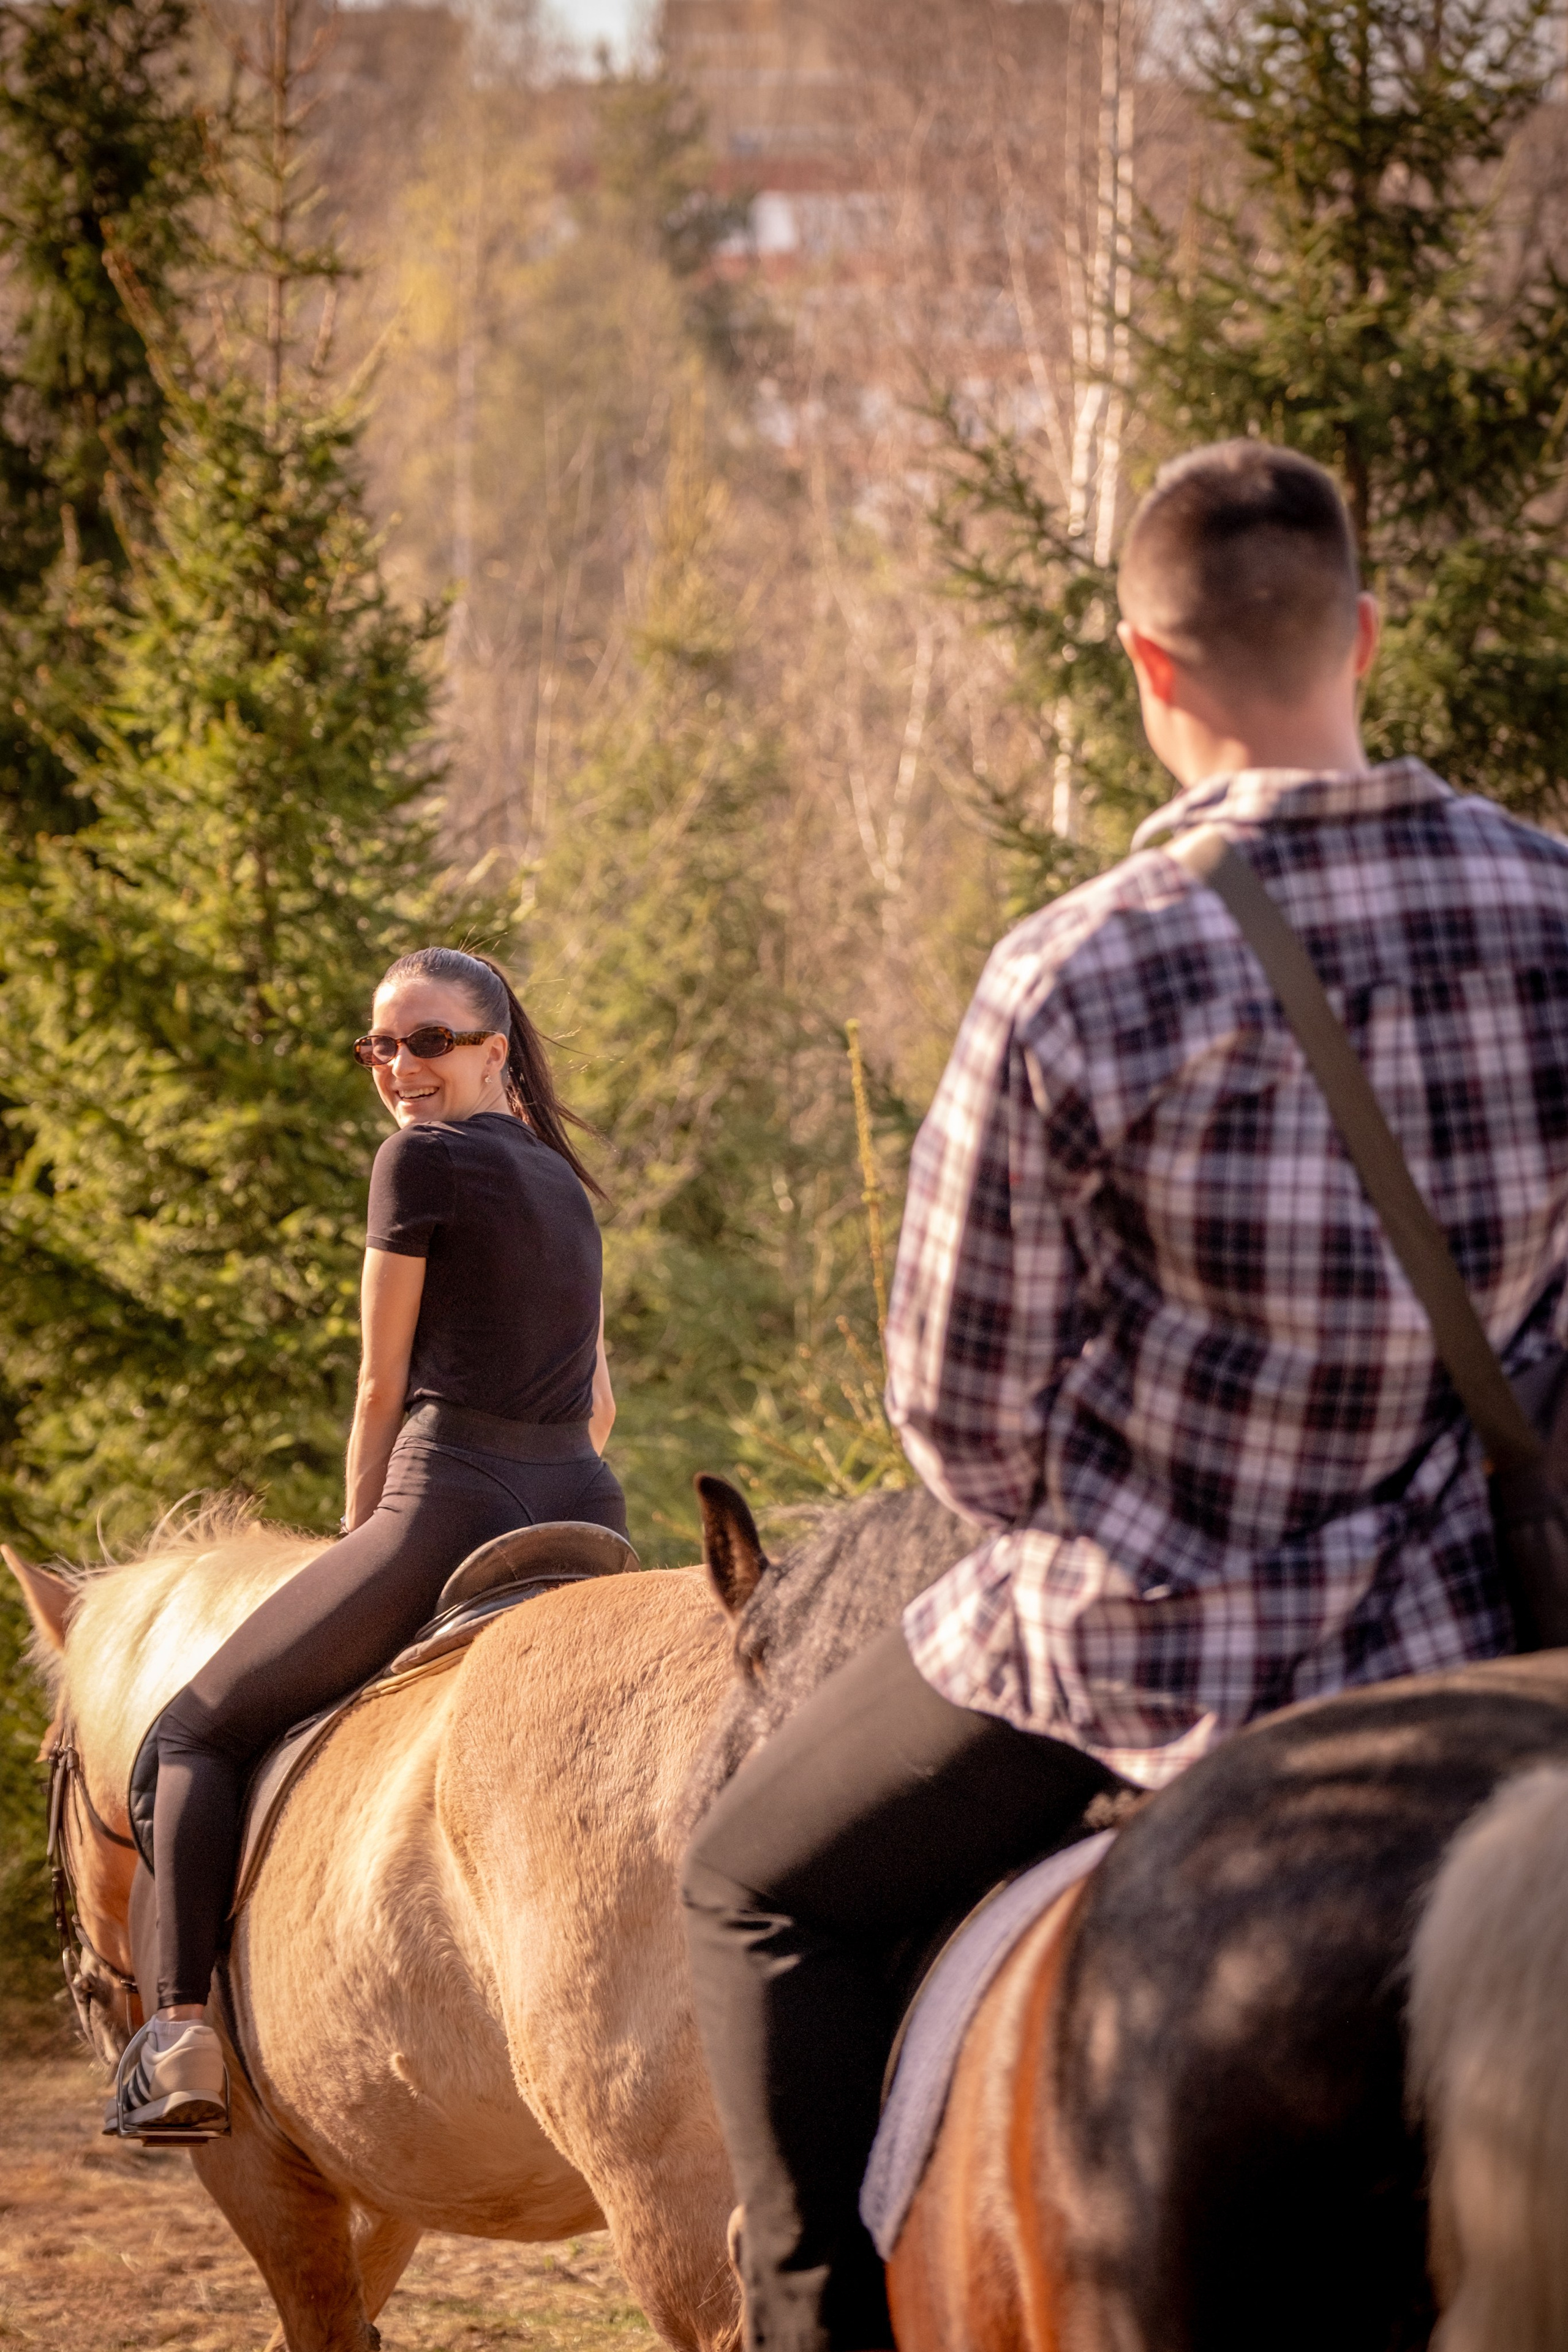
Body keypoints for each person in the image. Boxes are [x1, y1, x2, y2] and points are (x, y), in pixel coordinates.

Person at [680, 440, 1568, 2352]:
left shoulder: (1074, 976)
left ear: (1148, 673)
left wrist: (1161, 1475)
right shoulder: (1552, 906)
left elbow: (959, 1422)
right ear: (1366, 635)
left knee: (751, 1889)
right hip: (1491, 1624)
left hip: (1150, 1645)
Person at [118, 946, 624, 2139]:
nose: (400, 1068)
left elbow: (376, 1383)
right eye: (380, 1046)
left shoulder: (418, 1164)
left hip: (445, 1501)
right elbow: (598, 1403)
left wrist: (359, 1544)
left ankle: (179, 2033)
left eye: (429, 1041)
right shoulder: (564, 1183)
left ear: (495, 1048)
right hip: (583, 1507)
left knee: (188, 1730)